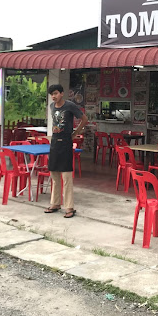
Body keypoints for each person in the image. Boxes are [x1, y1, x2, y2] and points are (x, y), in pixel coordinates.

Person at [44, 84, 88, 218]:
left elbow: (84, 119)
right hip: (55, 142)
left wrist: (75, 134)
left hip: (66, 142)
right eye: (52, 94)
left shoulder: (70, 105)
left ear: (62, 93)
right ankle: (55, 204)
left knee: (66, 177)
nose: (53, 96)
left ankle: (69, 207)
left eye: (56, 93)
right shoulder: (51, 106)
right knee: (54, 175)